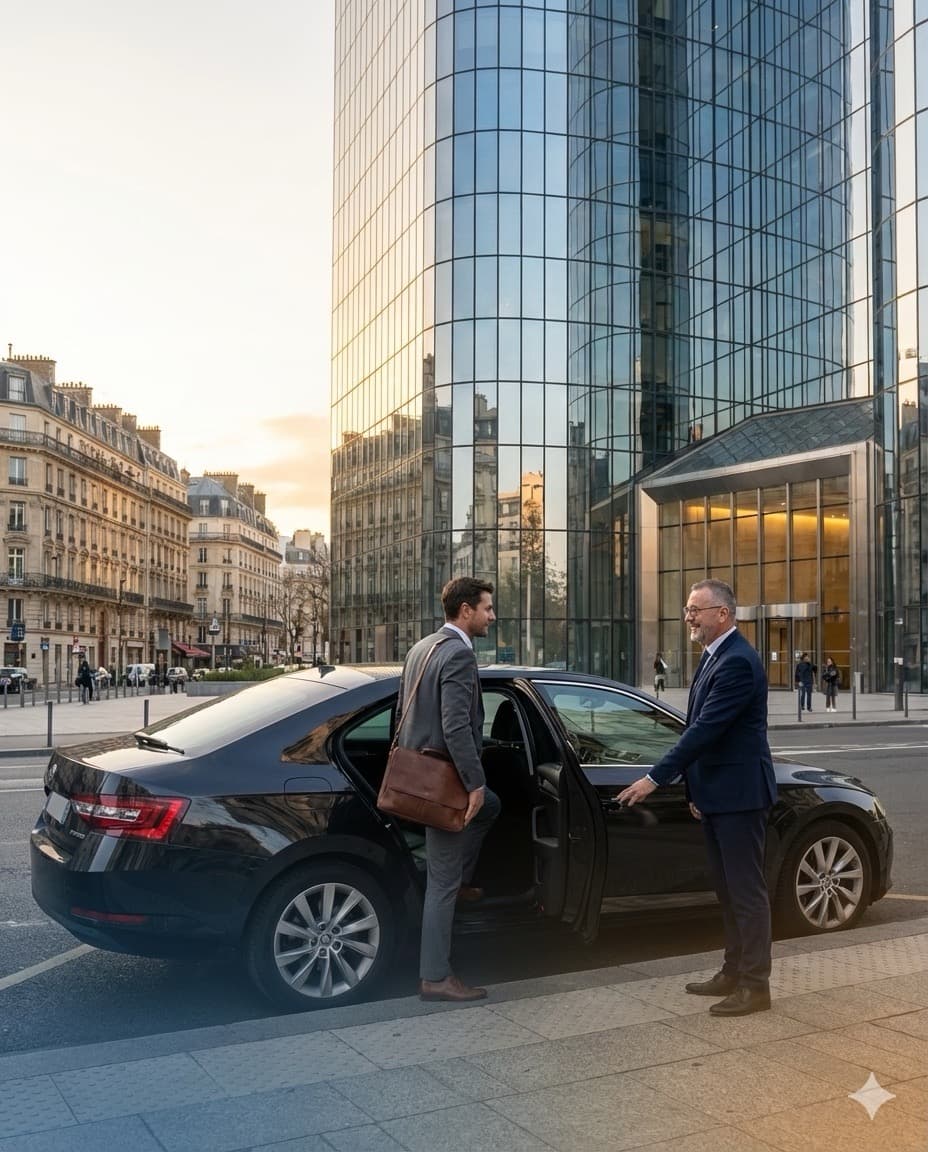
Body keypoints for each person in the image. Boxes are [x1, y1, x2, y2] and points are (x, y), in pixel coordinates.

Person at [617, 579, 776, 1017]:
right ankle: (732, 971)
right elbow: (698, 729)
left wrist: (655, 778)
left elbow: (705, 731)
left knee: (746, 893)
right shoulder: (713, 656)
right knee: (727, 891)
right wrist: (695, 789)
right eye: (687, 609)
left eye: (695, 610)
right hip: (718, 794)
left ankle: (755, 986)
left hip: (740, 796)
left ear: (722, 614)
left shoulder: (738, 661)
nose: (688, 617)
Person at [396, 575, 501, 1003]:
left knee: (492, 806)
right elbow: (456, 726)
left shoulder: (422, 648)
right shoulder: (458, 653)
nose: (492, 616)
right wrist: (474, 783)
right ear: (466, 610)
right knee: (440, 883)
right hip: (443, 782)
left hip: (417, 774)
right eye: (487, 608)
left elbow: (403, 712)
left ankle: (460, 879)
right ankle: (436, 977)